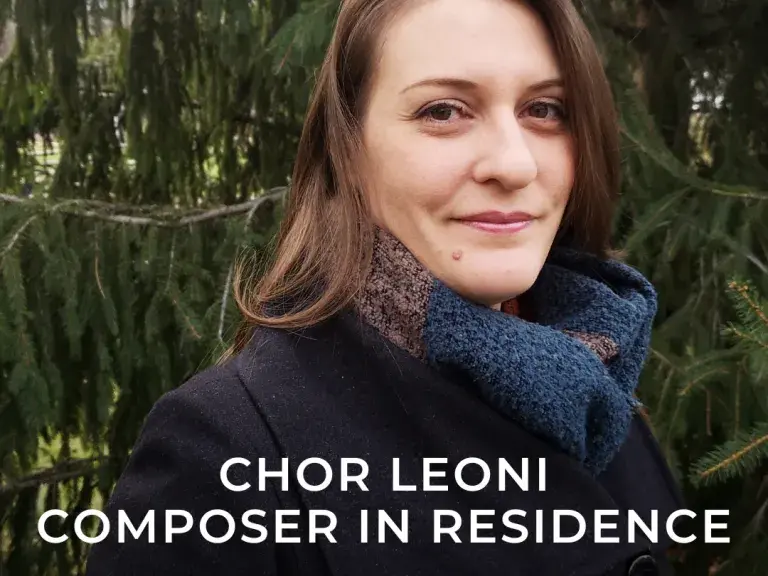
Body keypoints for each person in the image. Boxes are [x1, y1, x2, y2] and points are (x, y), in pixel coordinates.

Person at [85, 0, 684, 574]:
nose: (516, 163)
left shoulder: (597, 375)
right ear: (348, 152)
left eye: (545, 109)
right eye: (444, 111)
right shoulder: (227, 452)